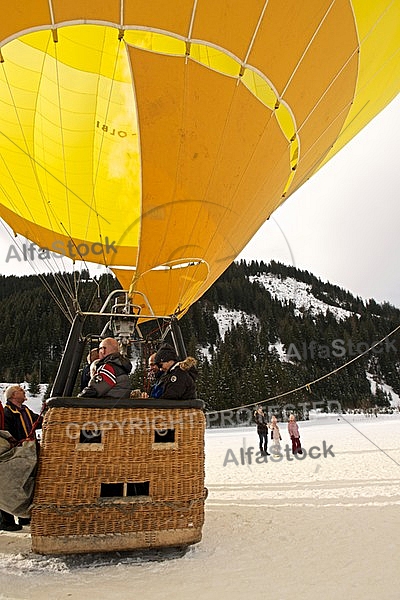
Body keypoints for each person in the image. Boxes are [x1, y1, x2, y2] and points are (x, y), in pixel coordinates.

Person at [1, 385, 43, 531]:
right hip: (16, 454)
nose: (24, 392)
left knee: (26, 483)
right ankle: (6, 520)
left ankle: (23, 517)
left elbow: (39, 421)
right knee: (10, 486)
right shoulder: (8, 412)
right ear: (13, 395)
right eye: (20, 390)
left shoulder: (25, 410)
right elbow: (6, 433)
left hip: (27, 453)